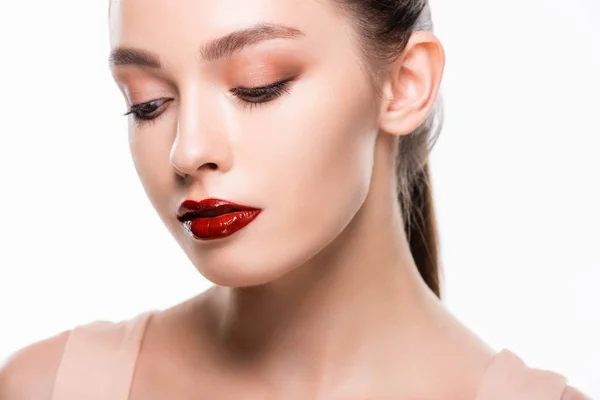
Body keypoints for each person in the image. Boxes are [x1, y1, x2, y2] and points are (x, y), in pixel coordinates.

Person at [0, 0, 591, 399]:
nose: (188, 150)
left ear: (405, 84)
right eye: (149, 102)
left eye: (258, 86)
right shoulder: (49, 387)